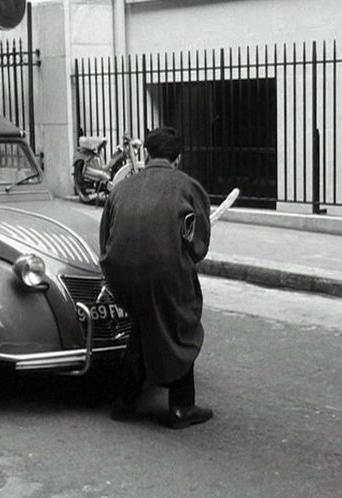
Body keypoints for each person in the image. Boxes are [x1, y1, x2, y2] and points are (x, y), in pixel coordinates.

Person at [99, 126, 213, 429]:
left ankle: (123, 400)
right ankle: (181, 407)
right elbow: (198, 244)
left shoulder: (122, 187)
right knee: (181, 324)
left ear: (147, 154)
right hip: (162, 273)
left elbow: (105, 237)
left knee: (143, 323)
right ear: (177, 158)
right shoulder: (187, 187)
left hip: (120, 274)